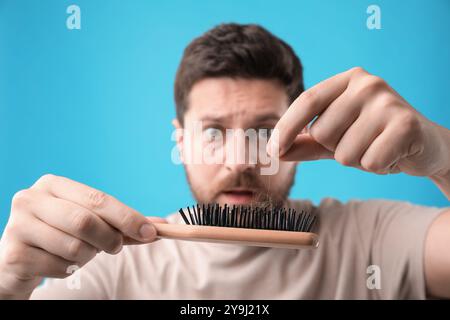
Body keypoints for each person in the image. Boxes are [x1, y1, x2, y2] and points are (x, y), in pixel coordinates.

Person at [0, 23, 449, 300]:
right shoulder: (110, 263)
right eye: (213, 132)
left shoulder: (371, 241)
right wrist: (7, 285)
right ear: (181, 139)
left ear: (302, 134)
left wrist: (442, 157)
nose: (239, 160)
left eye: (265, 131)